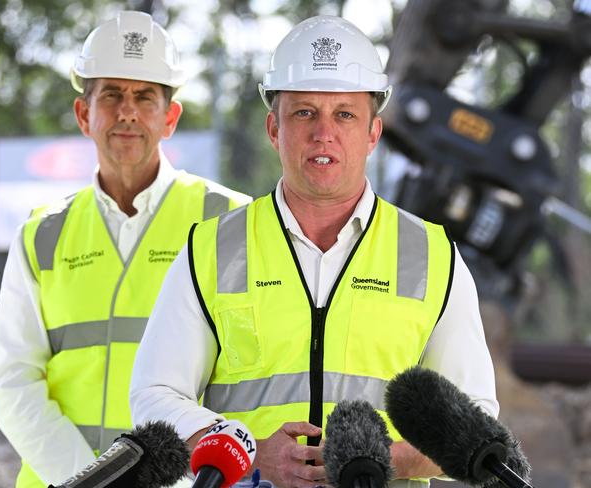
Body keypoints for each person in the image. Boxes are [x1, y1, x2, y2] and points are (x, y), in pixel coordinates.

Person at [130, 15, 498, 488]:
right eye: (304, 112)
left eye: (344, 114)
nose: (324, 133)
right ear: (273, 128)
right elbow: (154, 395)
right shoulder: (211, 250)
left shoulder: (432, 255)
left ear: (372, 133)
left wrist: (386, 459)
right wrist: (253, 450)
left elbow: (476, 416)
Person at [0, 11, 250, 488]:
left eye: (145, 97)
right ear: (84, 114)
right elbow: (12, 380)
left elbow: (252, 374)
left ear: (169, 118)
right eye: (111, 95)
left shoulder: (230, 220)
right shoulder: (42, 233)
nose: (127, 111)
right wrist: (91, 479)